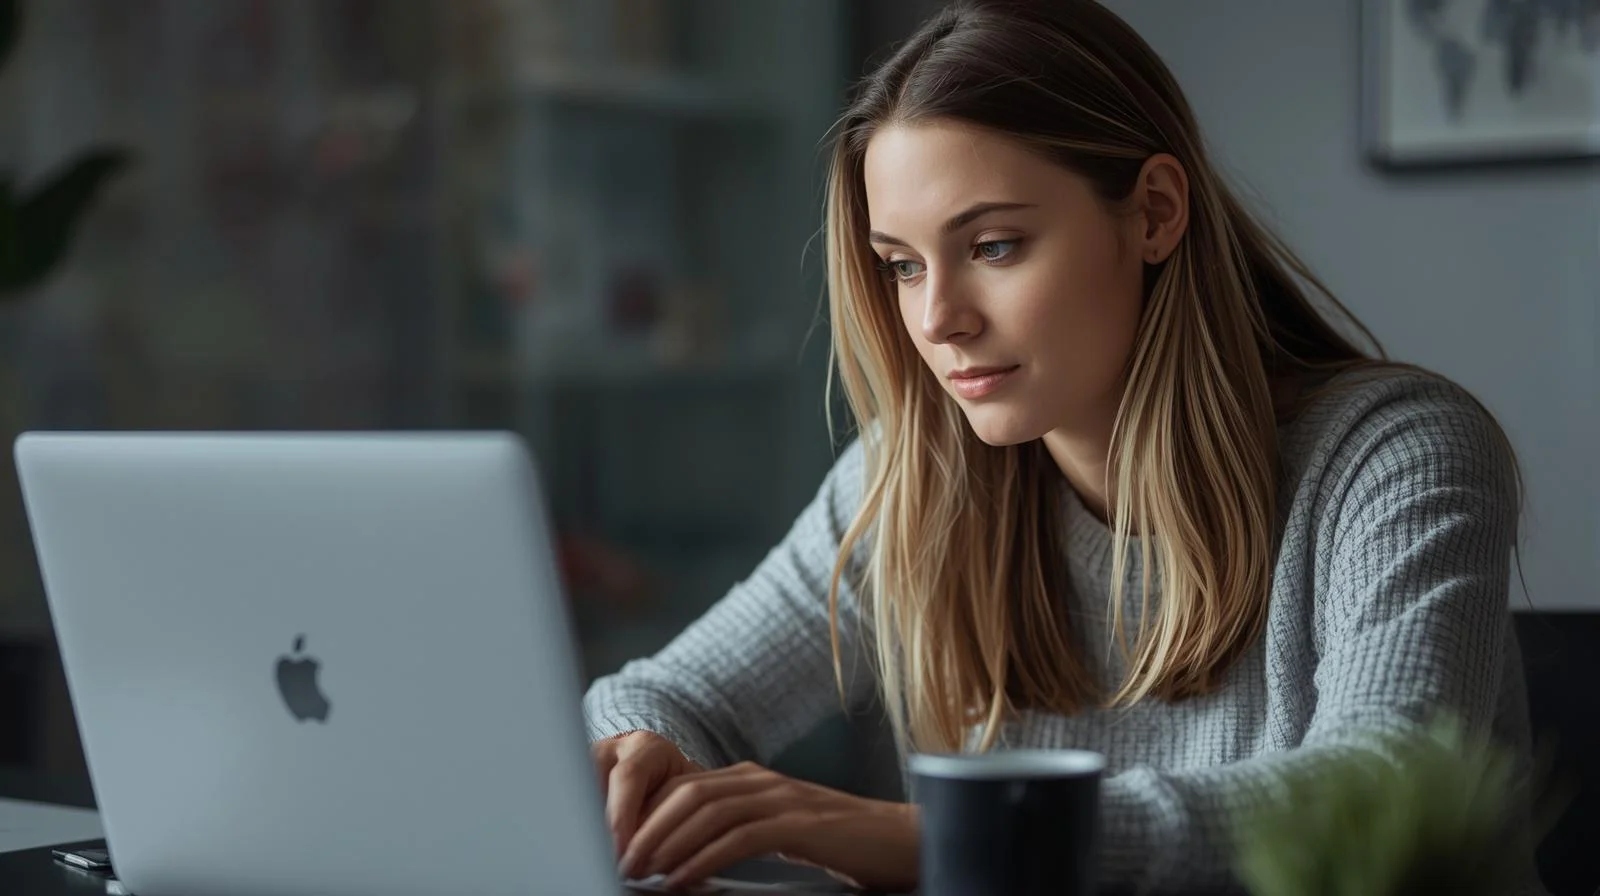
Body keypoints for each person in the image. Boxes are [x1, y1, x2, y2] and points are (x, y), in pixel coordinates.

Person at [583, 0, 1542, 892]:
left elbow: (1378, 790)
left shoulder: (1398, 457)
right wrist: (640, 753)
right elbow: (662, 695)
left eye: (994, 245)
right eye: (902, 266)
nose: (938, 318)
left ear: (1156, 212)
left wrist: (953, 840)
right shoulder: (908, 474)